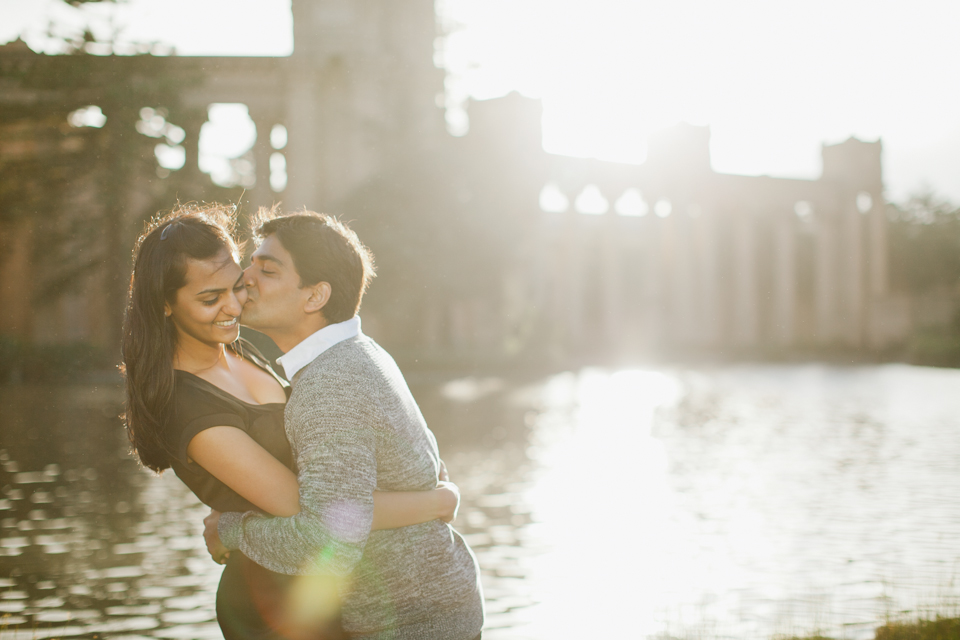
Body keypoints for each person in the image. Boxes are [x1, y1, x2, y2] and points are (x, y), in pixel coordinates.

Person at [120, 203, 460, 640]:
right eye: (210, 299)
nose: (233, 306)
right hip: (273, 602)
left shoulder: (239, 350)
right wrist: (433, 503)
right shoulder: (188, 409)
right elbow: (312, 513)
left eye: (235, 287)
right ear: (165, 304)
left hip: (324, 588)